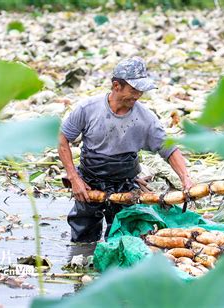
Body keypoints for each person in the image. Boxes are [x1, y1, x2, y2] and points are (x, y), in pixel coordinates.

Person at [58, 57, 193, 243]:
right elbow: (62, 138)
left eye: (141, 91)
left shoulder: (146, 118)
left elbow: (168, 149)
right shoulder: (88, 109)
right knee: (83, 236)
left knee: (124, 236)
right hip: (90, 181)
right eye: (133, 90)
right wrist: (74, 178)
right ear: (116, 86)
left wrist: (185, 177)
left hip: (125, 183)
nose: (137, 95)